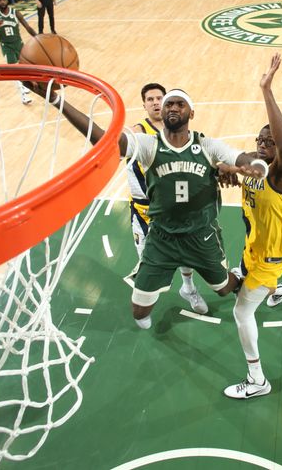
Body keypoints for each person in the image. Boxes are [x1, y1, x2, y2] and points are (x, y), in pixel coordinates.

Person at [30, 84, 267, 329]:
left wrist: (255, 166)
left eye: (179, 104)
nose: (173, 107)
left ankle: (242, 278)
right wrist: (57, 100)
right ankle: (181, 290)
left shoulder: (207, 146)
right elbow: (104, 139)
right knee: (139, 312)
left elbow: (241, 158)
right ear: (162, 113)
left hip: (200, 236)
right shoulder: (148, 145)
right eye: (169, 104)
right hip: (162, 238)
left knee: (224, 288)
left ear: (191, 113)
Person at [223, 53, 282, 400]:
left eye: (268, 142)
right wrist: (224, 170)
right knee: (241, 287)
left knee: (240, 312)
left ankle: (257, 379)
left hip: (272, 254)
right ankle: (277, 291)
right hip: (255, 247)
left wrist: (267, 90)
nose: (263, 144)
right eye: (259, 140)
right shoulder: (252, 166)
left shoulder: (281, 174)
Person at [126, 83, 205, 313]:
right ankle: (144, 299)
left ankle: (188, 288)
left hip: (173, 206)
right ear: (144, 105)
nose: (155, 102)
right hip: (144, 210)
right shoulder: (138, 132)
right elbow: (121, 140)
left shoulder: (177, 131)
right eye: (150, 99)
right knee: (148, 263)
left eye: (159, 98)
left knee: (186, 252)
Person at [0, 0, 36, 105]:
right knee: (14, 70)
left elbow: (27, 27)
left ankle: (24, 85)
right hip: (7, 46)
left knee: (24, 67)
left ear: (7, 0)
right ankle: (23, 96)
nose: (2, 2)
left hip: (18, 43)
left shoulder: (15, 12)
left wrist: (37, 37)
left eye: (3, 0)